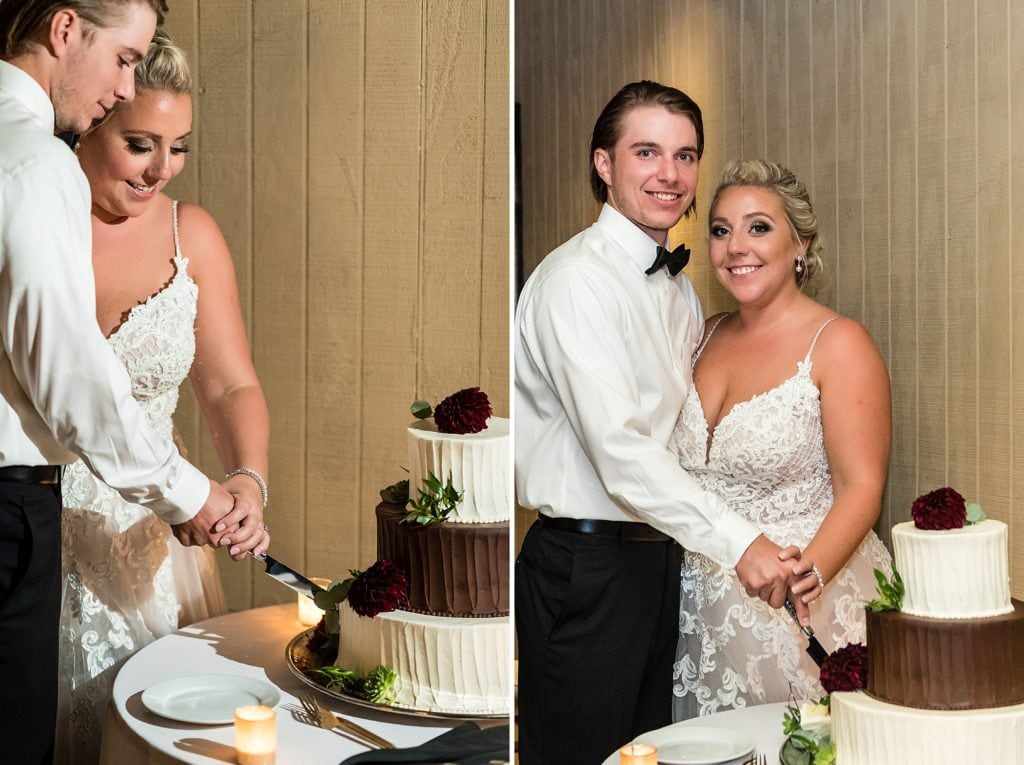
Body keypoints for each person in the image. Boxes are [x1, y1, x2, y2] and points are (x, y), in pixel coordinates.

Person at [514, 81, 810, 765]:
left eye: (685, 155)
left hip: (658, 563)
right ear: (603, 164)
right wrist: (740, 541)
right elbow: (621, 454)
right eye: (646, 152)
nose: (669, 174)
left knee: (649, 755)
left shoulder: (677, 289)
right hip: (584, 568)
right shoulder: (574, 283)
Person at [0, 2, 262, 761]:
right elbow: (68, 379)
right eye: (120, 59)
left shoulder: (188, 231)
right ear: (65, 29)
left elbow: (230, 384)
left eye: (177, 147)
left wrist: (243, 480)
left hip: (139, 541)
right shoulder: (36, 163)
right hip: (38, 515)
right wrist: (190, 492)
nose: (119, 86)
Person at [671, 159, 893, 719]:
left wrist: (806, 575)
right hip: (699, 609)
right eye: (721, 231)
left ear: (801, 243)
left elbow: (863, 486)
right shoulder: (704, 334)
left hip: (803, 606)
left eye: (758, 228)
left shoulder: (839, 343)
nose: (735, 247)